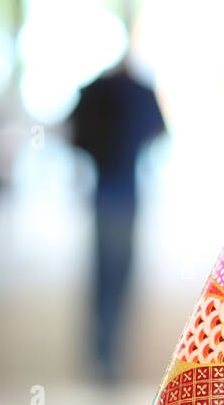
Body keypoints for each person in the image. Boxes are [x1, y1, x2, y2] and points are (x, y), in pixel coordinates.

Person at [70, 61, 165, 380]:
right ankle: (107, 351)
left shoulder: (99, 91)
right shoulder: (138, 93)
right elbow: (159, 132)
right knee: (117, 275)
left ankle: (102, 349)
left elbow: (75, 135)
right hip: (122, 194)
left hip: (106, 193)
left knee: (104, 275)